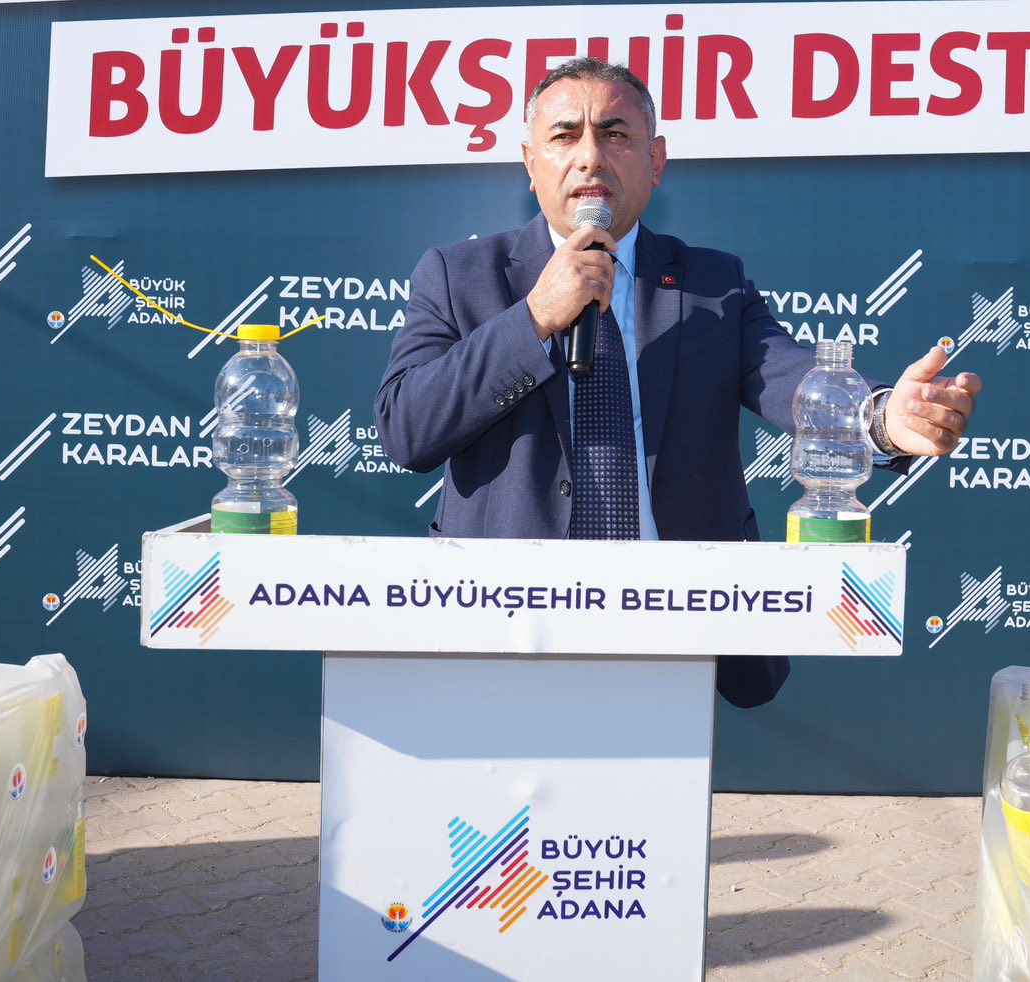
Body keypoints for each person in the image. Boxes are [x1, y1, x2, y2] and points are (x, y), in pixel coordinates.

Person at [375, 58, 983, 708]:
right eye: (565, 136)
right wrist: (534, 318)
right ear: (530, 162)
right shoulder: (459, 275)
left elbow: (788, 374)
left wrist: (882, 417)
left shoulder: (711, 283)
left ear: (656, 160)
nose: (590, 156)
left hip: (674, 629)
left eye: (615, 134)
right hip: (502, 623)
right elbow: (408, 430)